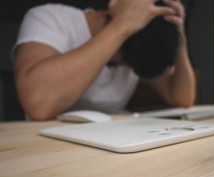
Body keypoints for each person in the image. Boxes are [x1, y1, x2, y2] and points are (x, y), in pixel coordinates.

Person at [13, 0, 196, 120]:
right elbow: (38, 103)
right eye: (122, 58)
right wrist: (121, 26)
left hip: (113, 140)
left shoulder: (138, 48)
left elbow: (182, 98)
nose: (125, 67)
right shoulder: (49, 19)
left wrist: (179, 38)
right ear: (105, 19)